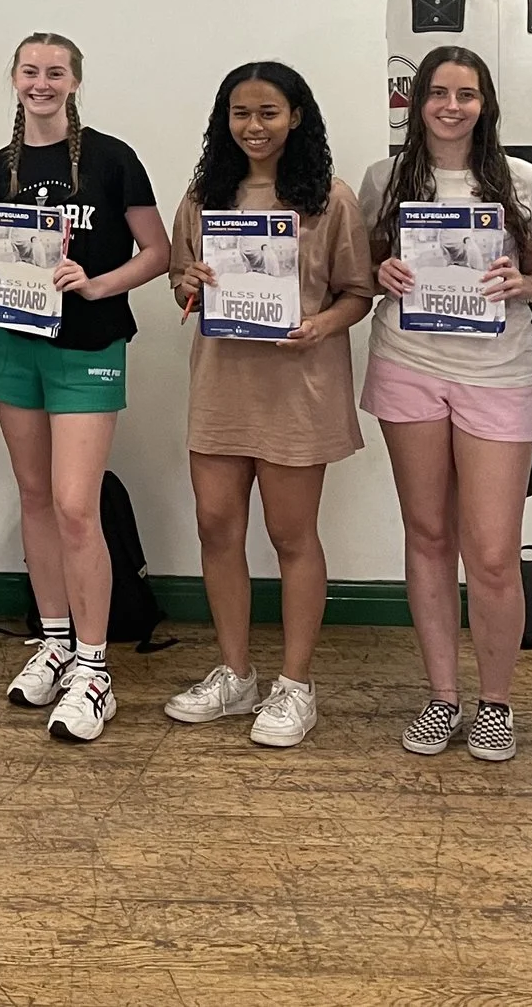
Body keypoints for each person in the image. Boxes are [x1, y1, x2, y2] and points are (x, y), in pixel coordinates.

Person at [359, 45, 532, 762]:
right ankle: (443, 695)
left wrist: (524, 285)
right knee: (427, 536)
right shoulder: (384, 178)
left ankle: (496, 702)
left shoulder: (523, 180)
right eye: (438, 92)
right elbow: (370, 267)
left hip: (498, 373)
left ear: (486, 103)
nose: (451, 105)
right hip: (409, 366)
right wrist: (381, 270)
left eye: (466, 93)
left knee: (494, 553)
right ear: (417, 102)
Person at [0, 33, 168, 743]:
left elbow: (159, 251)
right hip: (13, 344)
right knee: (35, 496)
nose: (41, 82)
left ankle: (94, 667)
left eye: (56, 72)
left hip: (88, 345)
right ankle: (53, 639)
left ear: (76, 80)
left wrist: (97, 283)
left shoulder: (113, 160)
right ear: (14, 78)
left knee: (77, 505)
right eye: (30, 70)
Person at [166, 61, 373, 749]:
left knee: (292, 536)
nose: (253, 126)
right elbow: (181, 282)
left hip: (297, 392)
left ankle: (295, 685)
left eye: (268, 112)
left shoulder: (330, 199)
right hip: (222, 386)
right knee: (216, 526)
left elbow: (357, 291)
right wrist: (189, 279)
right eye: (240, 113)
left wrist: (320, 324)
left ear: (297, 117)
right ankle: (235, 672)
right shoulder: (203, 196)